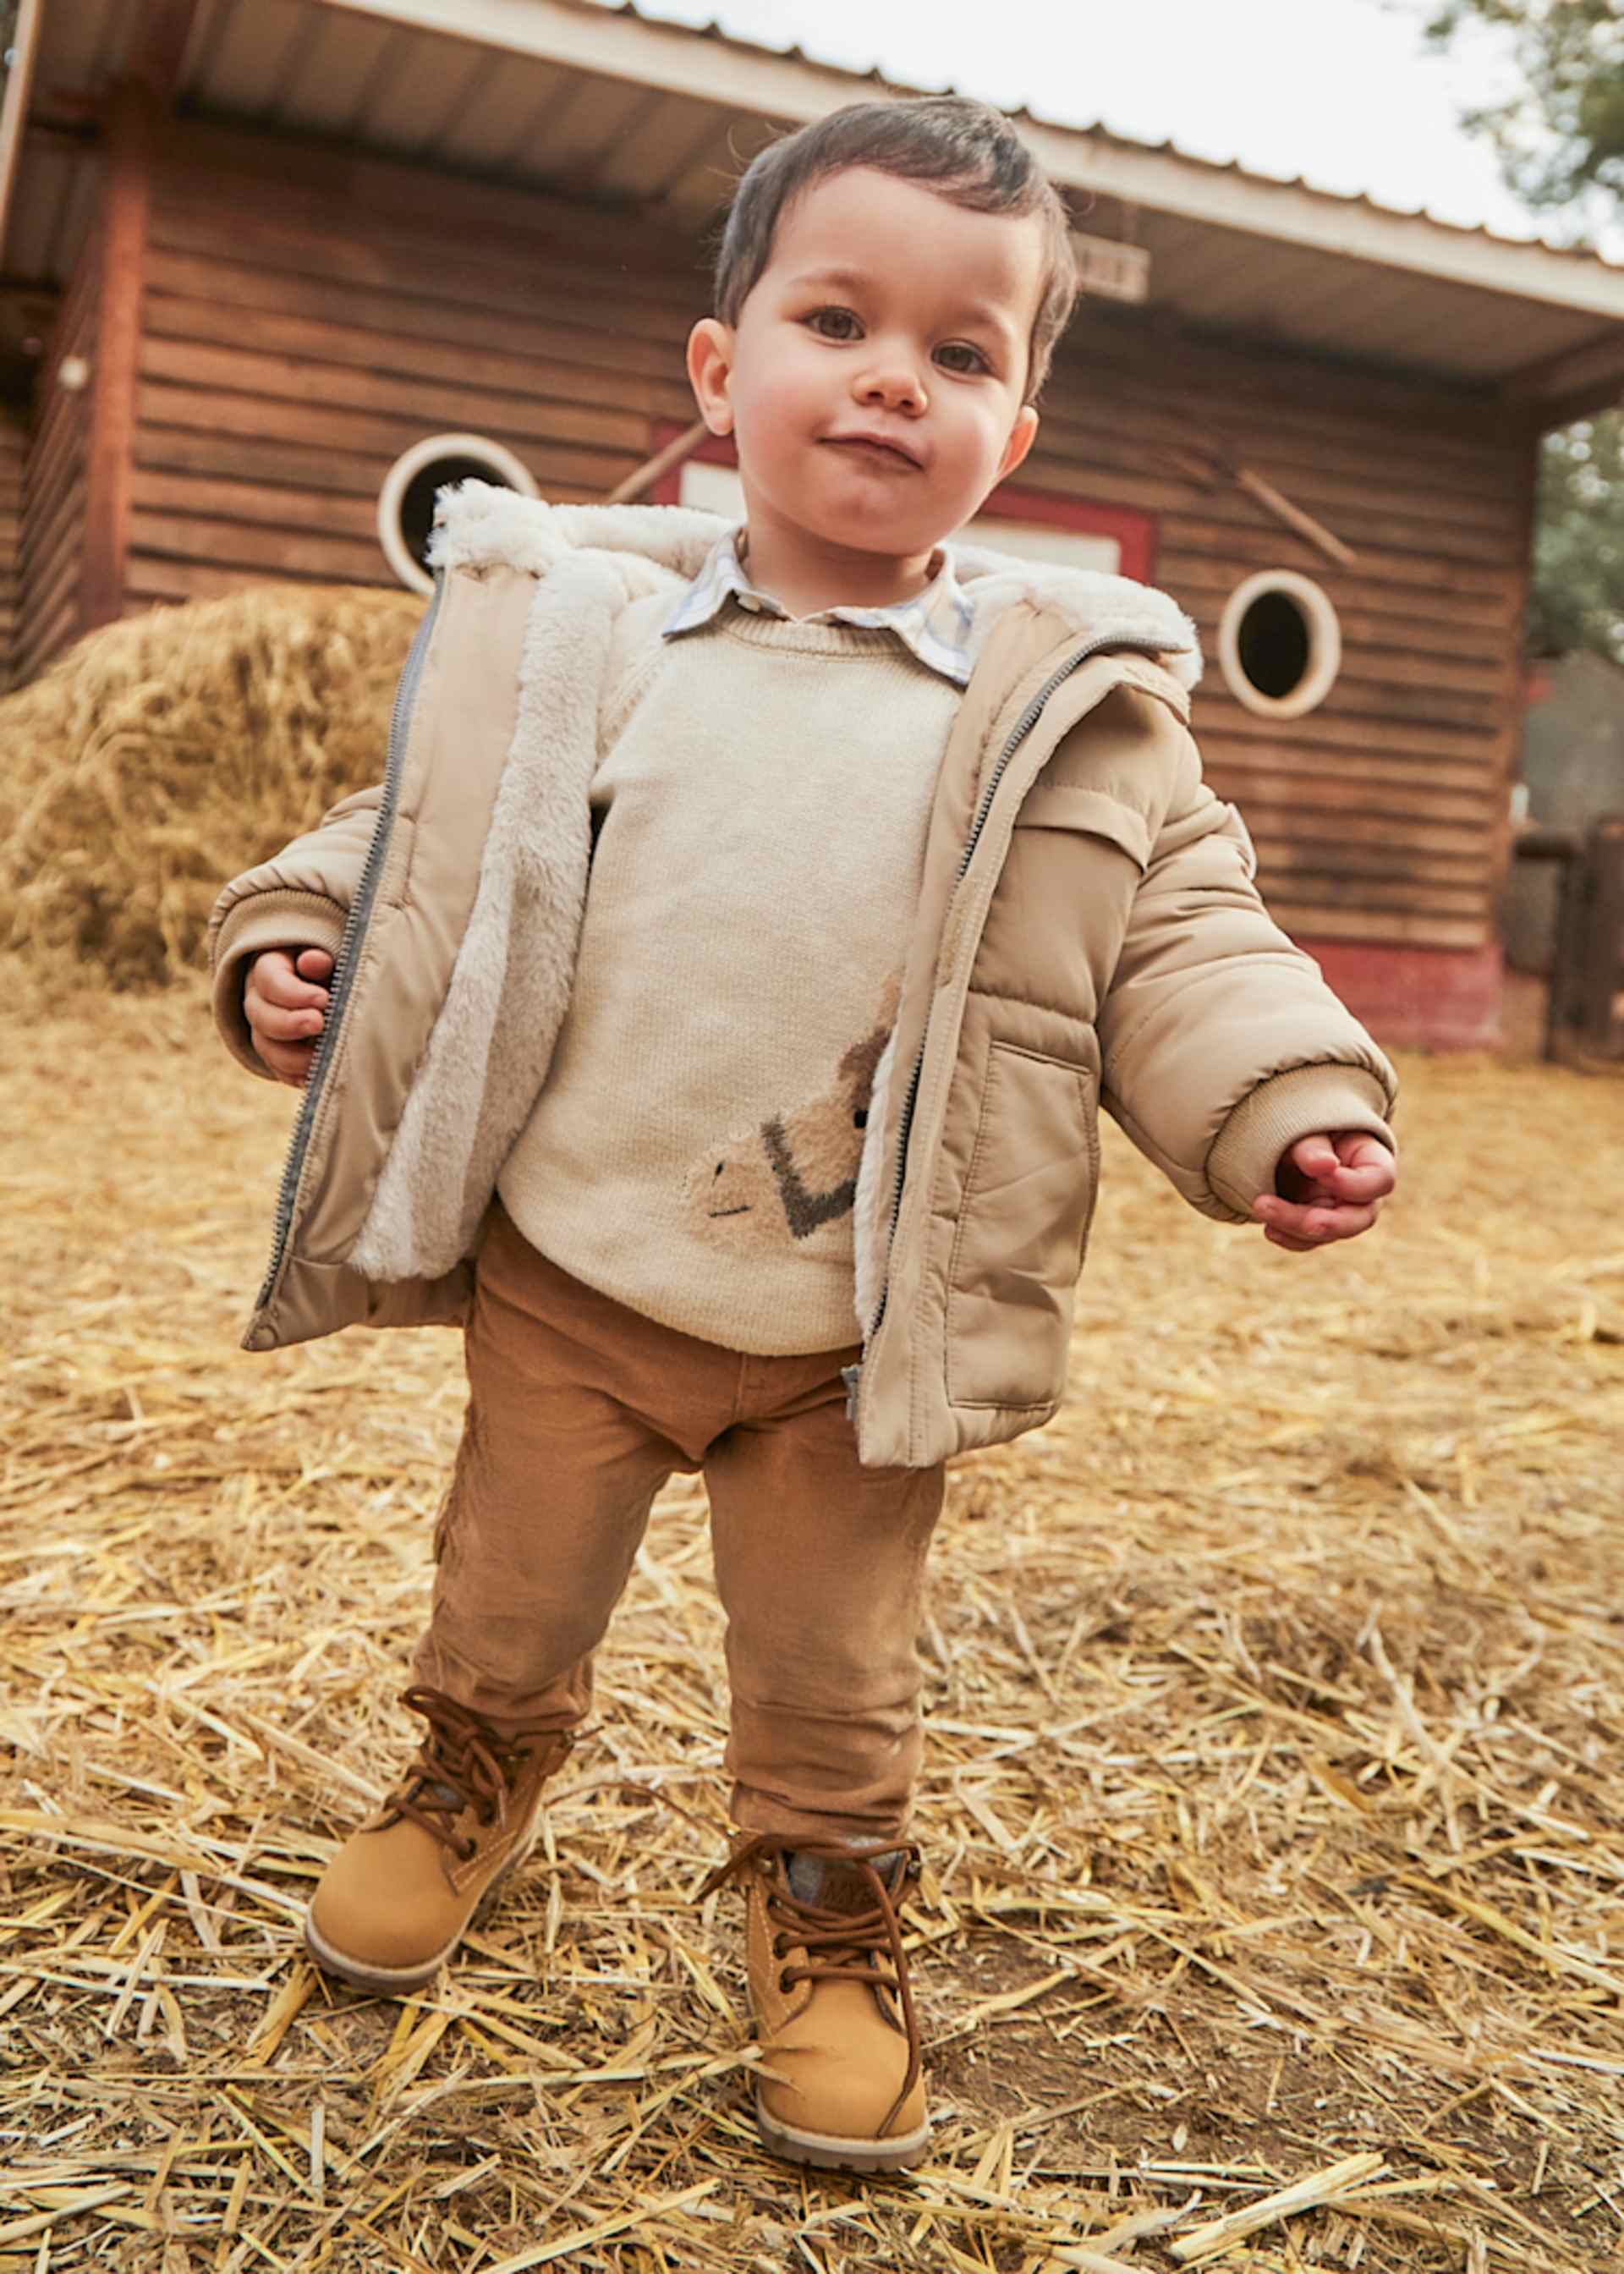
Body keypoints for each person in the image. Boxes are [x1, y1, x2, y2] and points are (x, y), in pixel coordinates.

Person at [209, 95, 1397, 2175]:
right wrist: (290, 938)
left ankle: (826, 1905)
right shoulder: (587, 637)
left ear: (1014, 434)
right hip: (572, 1281)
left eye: (962, 354)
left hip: (857, 1331)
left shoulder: (1065, 710)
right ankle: (469, 1772)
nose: (891, 379)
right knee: (507, 1588)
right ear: (717, 370)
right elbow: (413, 848)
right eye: (837, 317)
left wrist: (1285, 1101)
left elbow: (1191, 942)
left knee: (836, 1675)